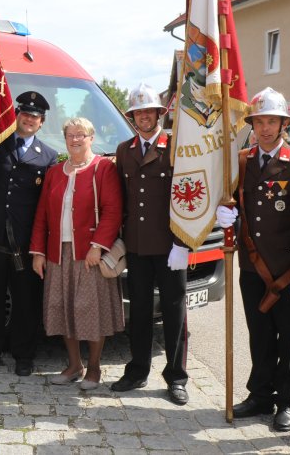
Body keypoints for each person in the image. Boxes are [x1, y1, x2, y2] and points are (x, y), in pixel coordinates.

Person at [216, 87, 290, 432]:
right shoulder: (241, 161)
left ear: (284, 124)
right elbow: (233, 202)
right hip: (252, 267)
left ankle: (287, 401)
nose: (265, 128)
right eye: (259, 122)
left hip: (289, 270)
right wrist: (226, 214)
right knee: (259, 334)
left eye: (272, 121)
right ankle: (260, 395)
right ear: (251, 125)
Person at [111, 83, 191, 405]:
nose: (144, 117)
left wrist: (183, 242)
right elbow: (122, 200)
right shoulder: (124, 150)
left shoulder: (177, 146)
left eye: (149, 111)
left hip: (171, 246)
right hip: (138, 245)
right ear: (132, 117)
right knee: (140, 311)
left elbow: (189, 197)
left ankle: (176, 377)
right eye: (138, 112)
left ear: (159, 113)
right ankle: (137, 370)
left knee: (175, 312)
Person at [29, 116, 124, 388]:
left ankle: (94, 369)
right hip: (59, 253)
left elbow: (112, 211)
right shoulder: (55, 172)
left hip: (89, 254)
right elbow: (42, 216)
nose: (75, 139)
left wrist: (98, 246)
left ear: (91, 137)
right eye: (70, 134)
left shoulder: (103, 168)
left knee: (90, 311)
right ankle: (74, 365)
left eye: (81, 134)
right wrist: (38, 252)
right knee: (65, 309)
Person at [0, 91, 58, 377]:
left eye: (35, 117)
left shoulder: (47, 156)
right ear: (17, 115)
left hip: (24, 243)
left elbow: (46, 204)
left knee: (25, 302)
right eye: (25, 114)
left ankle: (24, 354)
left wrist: (40, 245)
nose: (29, 119)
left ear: (42, 122)